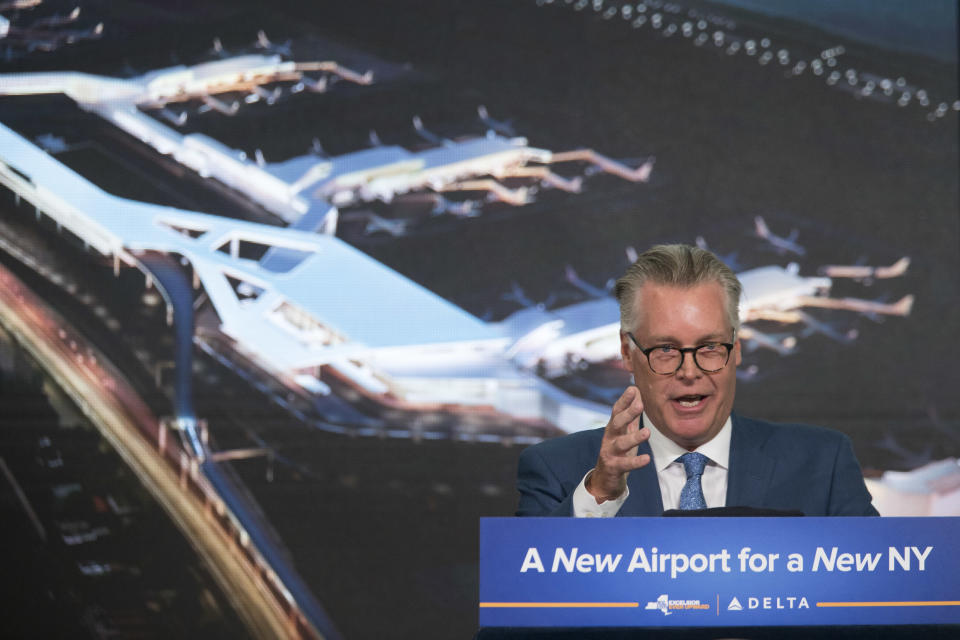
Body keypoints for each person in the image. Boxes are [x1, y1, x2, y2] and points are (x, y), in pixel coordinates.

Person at [516, 244, 878, 517]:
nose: (689, 372)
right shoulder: (557, 470)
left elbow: (880, 598)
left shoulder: (821, 463)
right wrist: (597, 498)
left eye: (709, 347)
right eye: (665, 350)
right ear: (627, 353)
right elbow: (524, 601)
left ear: (736, 349)